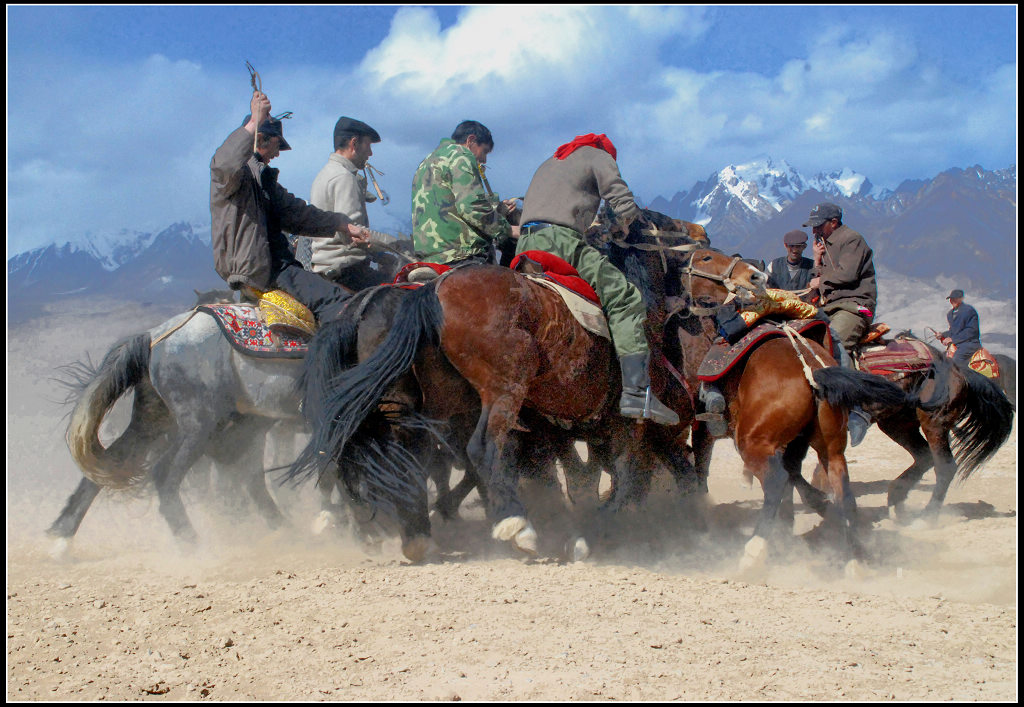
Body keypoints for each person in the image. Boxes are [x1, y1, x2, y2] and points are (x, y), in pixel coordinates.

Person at [515, 133, 679, 426]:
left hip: (525, 247)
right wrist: (624, 228)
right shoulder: (598, 156)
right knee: (624, 296)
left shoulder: (548, 163)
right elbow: (622, 203)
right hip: (561, 241)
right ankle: (636, 393)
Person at [210, 89, 369, 325]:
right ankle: (325, 362)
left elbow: (299, 214)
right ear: (261, 138)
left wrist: (342, 225)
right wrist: (255, 120)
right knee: (342, 305)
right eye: (277, 145)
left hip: (275, 267)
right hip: (266, 270)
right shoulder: (237, 175)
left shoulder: (264, 181)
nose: (278, 153)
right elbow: (223, 165)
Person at [805, 201, 876, 445]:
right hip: (831, 306)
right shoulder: (825, 246)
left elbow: (848, 274)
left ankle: (858, 407)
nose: (814, 231)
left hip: (857, 306)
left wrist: (820, 280)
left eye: (819, 226)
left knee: (835, 338)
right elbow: (818, 282)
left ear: (833, 223)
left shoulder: (852, 239)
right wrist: (816, 261)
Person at [411, 120, 519, 265]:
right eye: (484, 151)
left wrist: (497, 210)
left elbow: (448, 204)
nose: (484, 159)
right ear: (471, 140)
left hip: (430, 257)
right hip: (462, 253)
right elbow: (470, 207)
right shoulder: (461, 154)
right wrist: (508, 230)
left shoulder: (427, 161)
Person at [309, 116, 396, 289]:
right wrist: (397, 247)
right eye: (368, 145)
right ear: (354, 143)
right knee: (407, 295)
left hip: (327, 270)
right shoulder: (344, 177)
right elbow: (354, 233)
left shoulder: (325, 173)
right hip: (347, 271)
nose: (370, 153)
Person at [939, 288, 982, 367]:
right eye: (951, 299)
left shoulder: (969, 311)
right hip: (957, 344)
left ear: (961, 299)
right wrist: (942, 335)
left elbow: (972, 331)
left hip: (969, 344)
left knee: (955, 361)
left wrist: (953, 339)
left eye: (955, 299)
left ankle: (963, 379)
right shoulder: (950, 314)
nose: (953, 301)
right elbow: (953, 331)